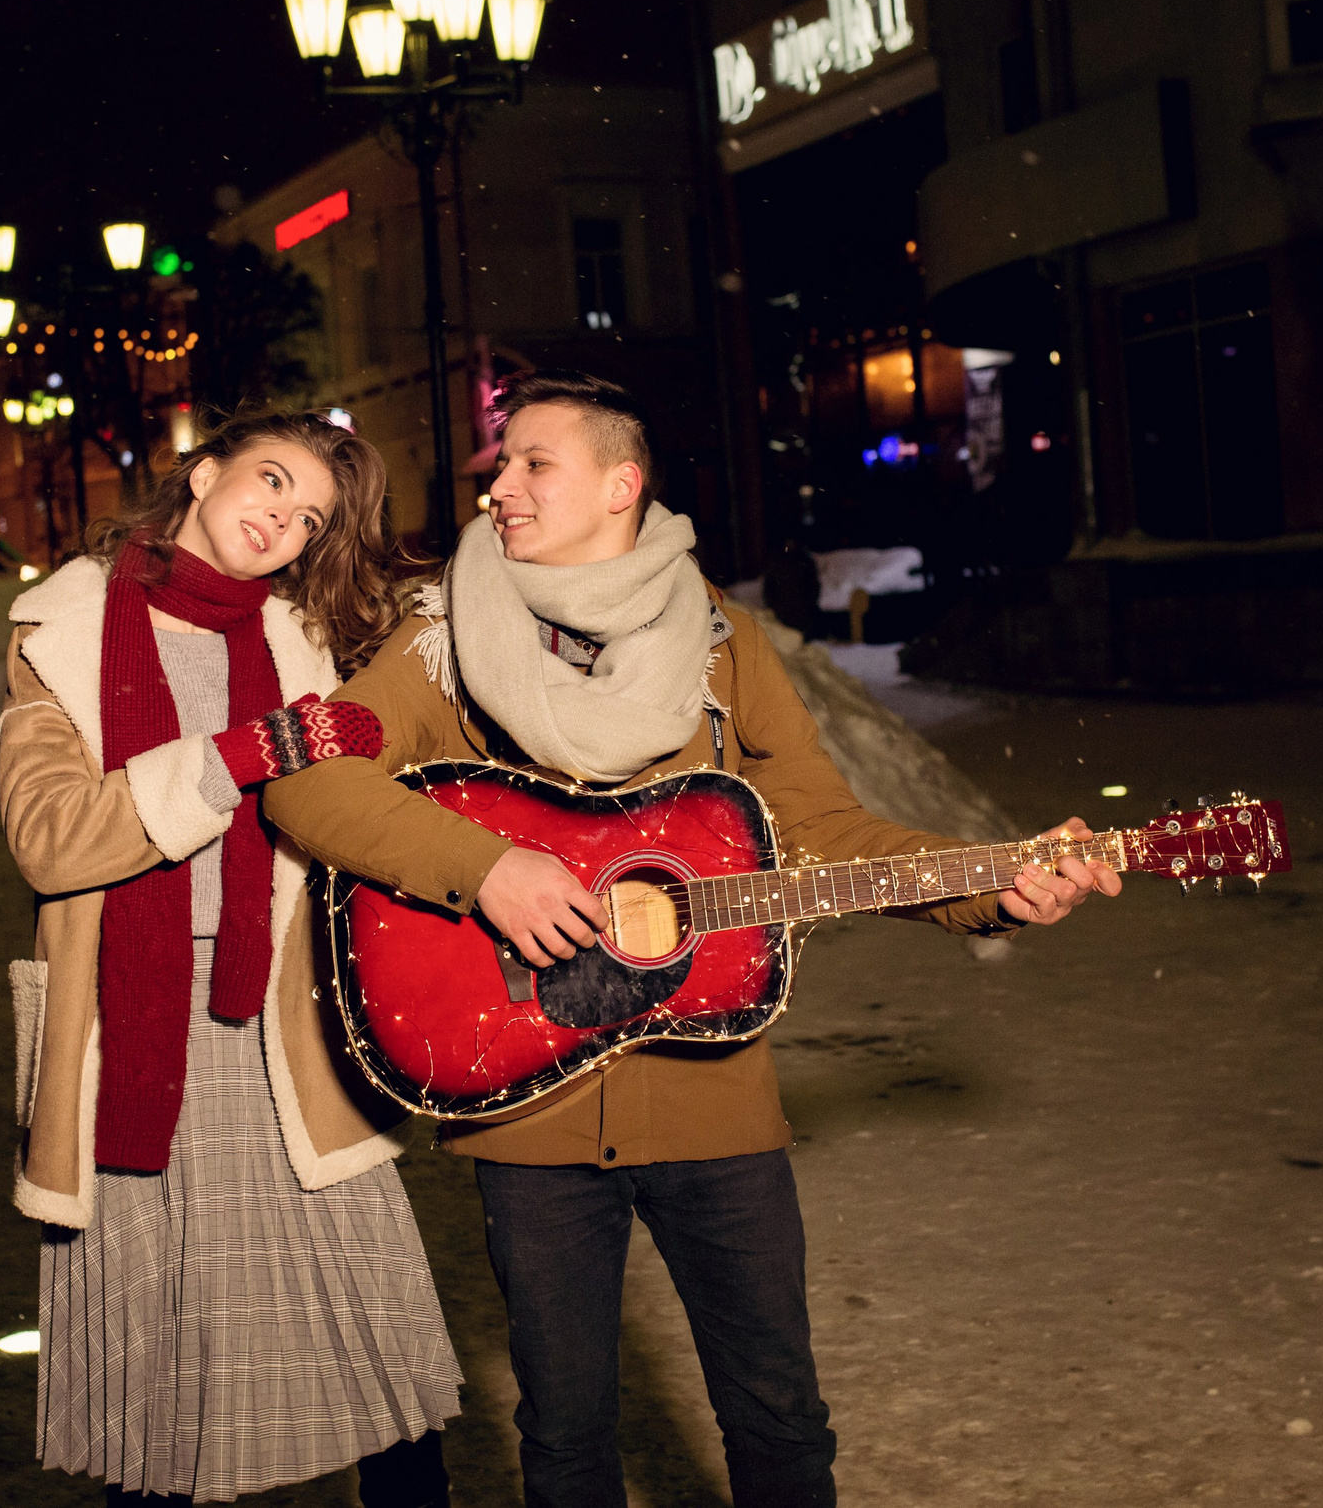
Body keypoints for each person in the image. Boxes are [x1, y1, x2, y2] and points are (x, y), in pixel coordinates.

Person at [264, 372, 1120, 1508]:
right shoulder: (440, 644)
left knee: (777, 1416)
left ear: (620, 486)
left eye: (531, 462)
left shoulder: (722, 646)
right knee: (567, 1438)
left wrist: (990, 888)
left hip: (716, 1101)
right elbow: (310, 788)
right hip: (529, 1104)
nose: (498, 485)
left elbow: (818, 830)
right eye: (500, 462)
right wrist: (486, 866)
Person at [0, 411, 460, 1508]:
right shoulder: (59, 630)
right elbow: (50, 837)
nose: (279, 522)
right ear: (201, 472)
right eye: (268, 482)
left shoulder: (298, 644)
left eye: (307, 519)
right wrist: (237, 758)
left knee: (374, 1323)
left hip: (280, 1014)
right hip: (132, 1026)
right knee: (158, 1361)